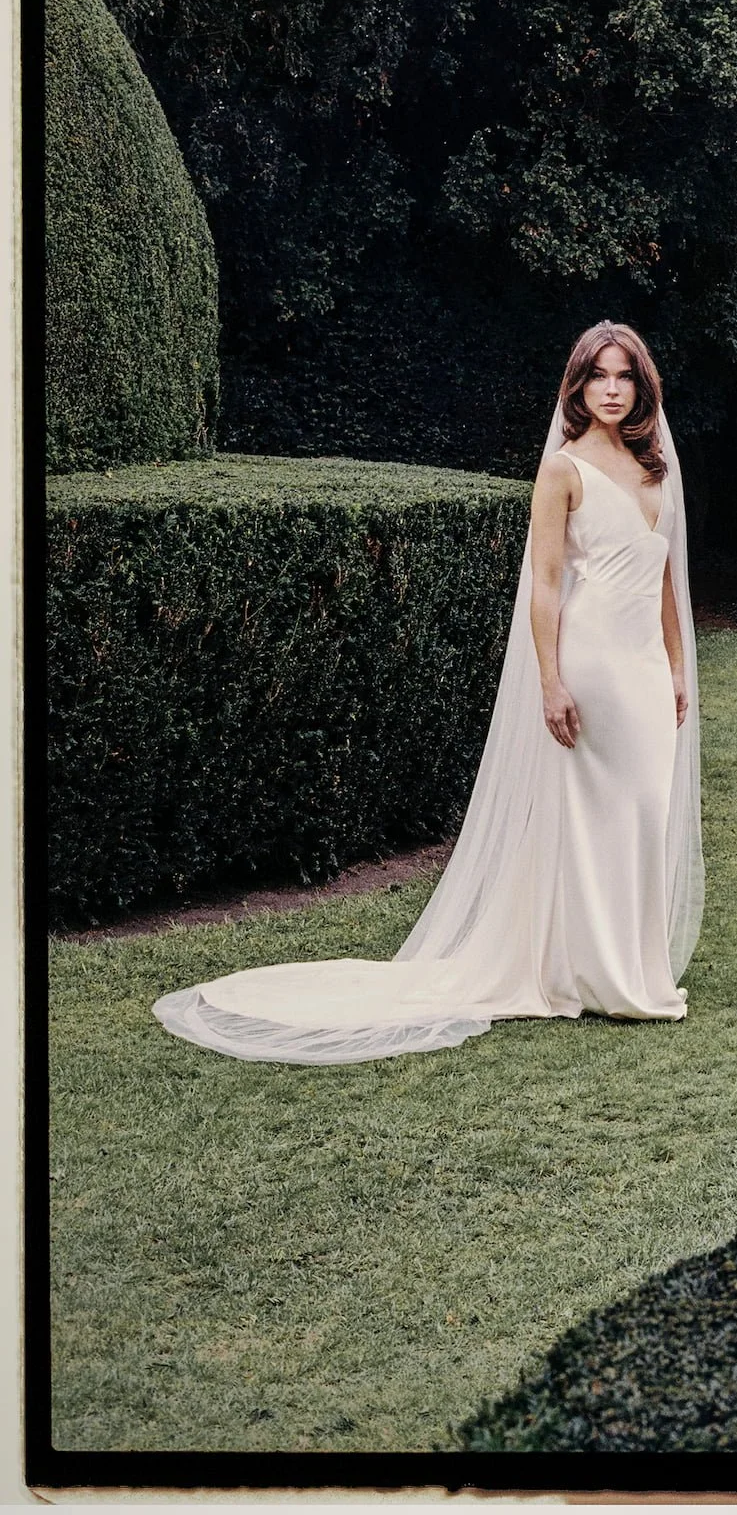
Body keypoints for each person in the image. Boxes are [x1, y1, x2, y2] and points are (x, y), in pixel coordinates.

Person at [152, 323, 703, 1064]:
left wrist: (674, 666)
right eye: (596, 376)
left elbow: (666, 578)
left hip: (642, 665)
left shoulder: (656, 468)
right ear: (577, 387)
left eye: (623, 376)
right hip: (591, 658)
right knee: (591, 815)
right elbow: (542, 584)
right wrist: (550, 678)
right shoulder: (563, 470)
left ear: (641, 386)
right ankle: (591, 975)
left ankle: (628, 968)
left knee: (643, 810)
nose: (610, 388)